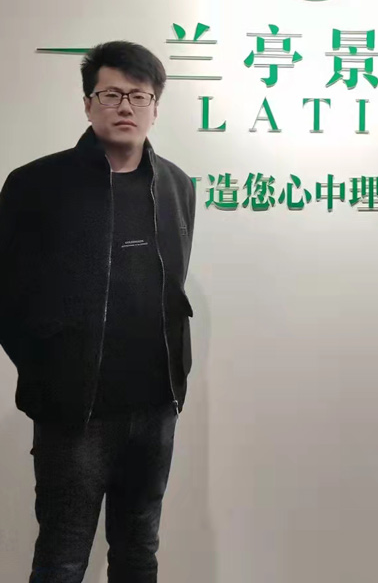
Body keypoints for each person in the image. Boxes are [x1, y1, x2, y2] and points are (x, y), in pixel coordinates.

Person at [0, 41, 196, 583]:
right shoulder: (35, 184)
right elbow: (7, 295)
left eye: (139, 95)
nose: (125, 106)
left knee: (138, 553)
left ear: (156, 107)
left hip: (155, 409)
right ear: (88, 104)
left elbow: (172, 285)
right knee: (62, 559)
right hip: (74, 414)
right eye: (111, 94)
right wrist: (48, 370)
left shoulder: (177, 185)